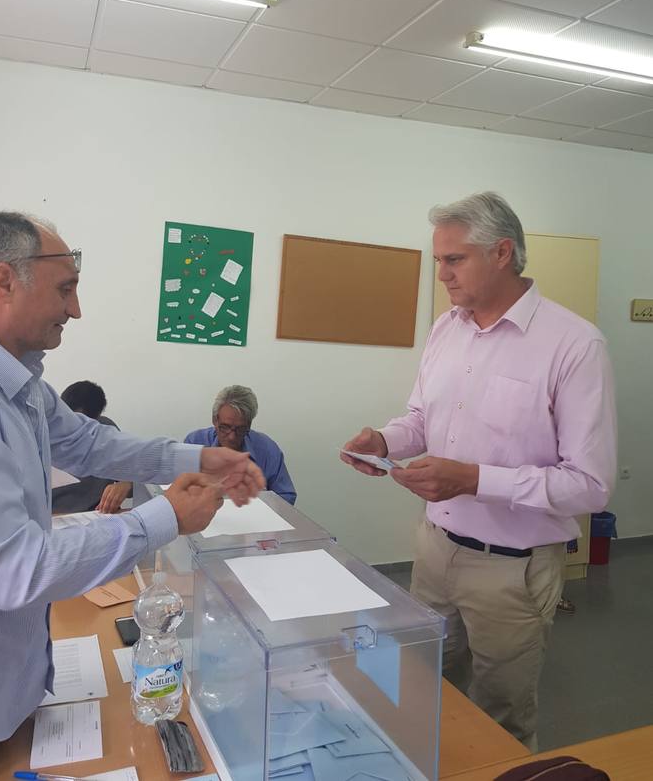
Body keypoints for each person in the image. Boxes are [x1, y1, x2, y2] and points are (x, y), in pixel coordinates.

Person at [0, 212, 265, 774]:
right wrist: (165, 517)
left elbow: (88, 444)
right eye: (66, 289)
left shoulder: (23, 382)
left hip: (9, 687)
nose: (76, 309)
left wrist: (203, 457)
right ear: (4, 281)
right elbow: (16, 571)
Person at [341, 192, 616, 751]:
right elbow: (422, 416)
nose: (440, 274)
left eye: (453, 259)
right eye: (438, 260)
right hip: (435, 550)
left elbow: (589, 485)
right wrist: (385, 439)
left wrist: (472, 479)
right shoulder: (448, 328)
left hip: (512, 573)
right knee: (418, 691)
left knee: (499, 722)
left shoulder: (575, 344)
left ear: (502, 253)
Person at [185, 385, 296, 504]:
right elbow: (179, 493)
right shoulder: (194, 443)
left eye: (240, 429)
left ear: (249, 424)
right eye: (225, 427)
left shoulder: (268, 450)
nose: (232, 436)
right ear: (214, 420)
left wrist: (260, 504)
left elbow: (286, 498)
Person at [52, 380, 123, 513]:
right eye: (72, 419)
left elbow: (131, 473)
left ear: (97, 417)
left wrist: (126, 484)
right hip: (54, 518)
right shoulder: (42, 433)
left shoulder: (106, 429)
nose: (77, 429)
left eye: (85, 423)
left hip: (97, 515)